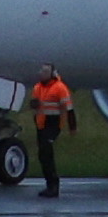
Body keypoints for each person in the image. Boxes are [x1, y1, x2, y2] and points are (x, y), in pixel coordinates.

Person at [30, 64, 77, 198]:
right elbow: (35, 105)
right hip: (41, 125)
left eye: (45, 71)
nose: (42, 73)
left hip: (53, 124)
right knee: (43, 156)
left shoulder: (60, 88)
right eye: (41, 71)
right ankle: (50, 185)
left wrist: (72, 127)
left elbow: (69, 109)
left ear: (52, 74)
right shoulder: (37, 87)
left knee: (46, 152)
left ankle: (54, 185)